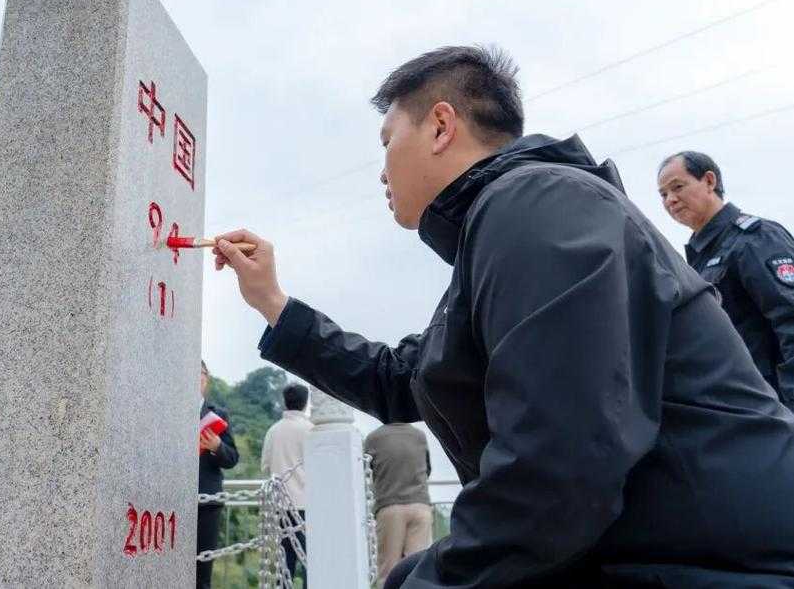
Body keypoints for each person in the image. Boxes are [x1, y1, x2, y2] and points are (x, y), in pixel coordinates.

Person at [213, 45, 794, 587]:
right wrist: (272, 301)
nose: (382, 171)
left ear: (441, 126)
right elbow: (400, 378)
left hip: (722, 560)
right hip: (648, 542)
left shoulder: (538, 206)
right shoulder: (503, 227)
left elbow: (558, 468)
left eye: (388, 140)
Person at [658, 151, 794, 406]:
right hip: (740, 408)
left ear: (709, 181)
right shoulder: (696, 261)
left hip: (776, 410)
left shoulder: (755, 239)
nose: (670, 200)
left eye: (677, 187)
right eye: (663, 194)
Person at [364, 424, 432, 585]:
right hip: (421, 506)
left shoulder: (373, 438)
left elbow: (366, 469)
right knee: (418, 571)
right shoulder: (419, 436)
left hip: (390, 506)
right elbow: (428, 470)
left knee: (388, 571)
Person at [261, 382, 312, 585]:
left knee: (285, 564)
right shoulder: (312, 430)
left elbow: (265, 466)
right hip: (308, 506)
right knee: (310, 562)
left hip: (281, 507)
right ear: (306, 402)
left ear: (285, 402)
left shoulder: (274, 431)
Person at [196, 359, 239, 589]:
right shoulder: (169, 413)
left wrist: (217, 447)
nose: (195, 377)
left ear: (207, 378)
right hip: (172, 500)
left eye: (200, 372)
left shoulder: (218, 414)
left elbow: (232, 458)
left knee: (202, 575)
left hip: (207, 502)